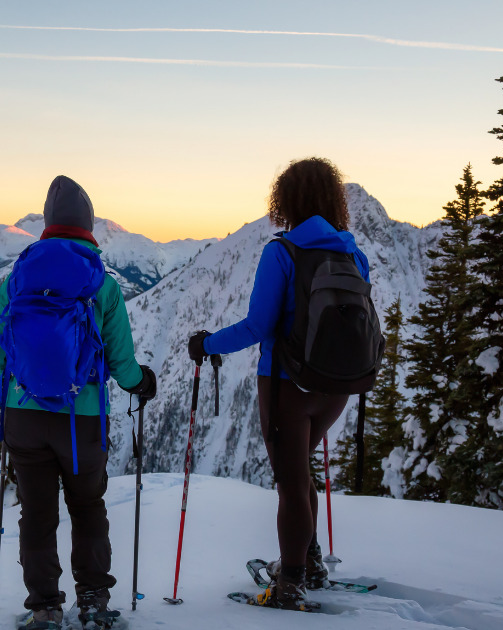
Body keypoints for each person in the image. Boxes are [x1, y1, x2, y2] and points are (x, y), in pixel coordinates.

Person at [187, 157, 370, 611]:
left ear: (286, 201)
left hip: (288, 386)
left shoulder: (282, 252)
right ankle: (308, 563)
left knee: (290, 483)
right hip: (338, 387)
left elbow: (258, 327)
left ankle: (290, 584)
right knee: (299, 472)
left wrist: (207, 343)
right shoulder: (353, 253)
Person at [0, 175, 156, 630]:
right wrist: (141, 383)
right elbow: (122, 363)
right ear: (89, 225)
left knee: (37, 513)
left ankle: (44, 606)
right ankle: (94, 600)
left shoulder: (17, 277)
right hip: (80, 423)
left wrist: (19, 385)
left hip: (23, 417)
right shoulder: (103, 284)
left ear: (47, 222)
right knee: (87, 506)